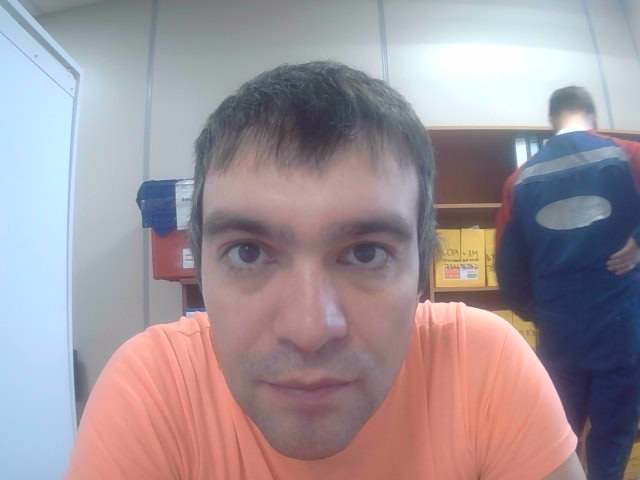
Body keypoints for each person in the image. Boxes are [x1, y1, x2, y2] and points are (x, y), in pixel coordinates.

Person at [65, 62, 584, 479]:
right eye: (248, 252)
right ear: (201, 267)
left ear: (421, 273)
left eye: (366, 253)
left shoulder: (483, 363)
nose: (310, 329)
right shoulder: (154, 388)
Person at [495, 85, 640, 480]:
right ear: (593, 117)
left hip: (559, 332)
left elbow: (507, 267)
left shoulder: (519, 180)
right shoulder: (628, 155)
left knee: (558, 440)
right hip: (620, 328)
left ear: (551, 122)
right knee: (612, 440)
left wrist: (538, 310)